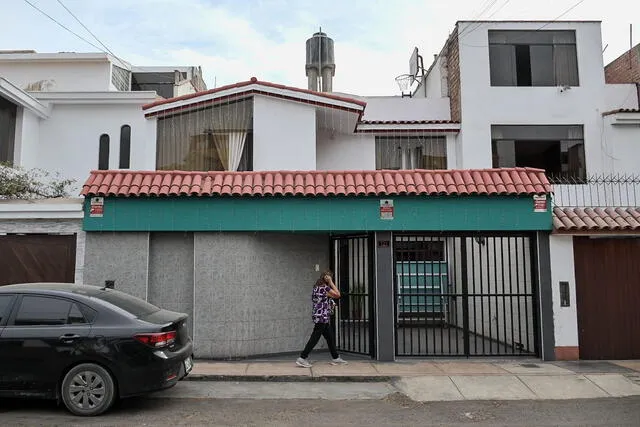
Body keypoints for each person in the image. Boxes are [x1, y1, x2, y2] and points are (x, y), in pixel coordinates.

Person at [296, 270, 348, 368]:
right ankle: (302, 358)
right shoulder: (324, 288)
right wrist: (331, 282)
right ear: (327, 278)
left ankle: (335, 357)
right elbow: (338, 294)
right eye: (329, 277)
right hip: (322, 317)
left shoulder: (316, 287)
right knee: (314, 338)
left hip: (319, 316)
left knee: (329, 337)